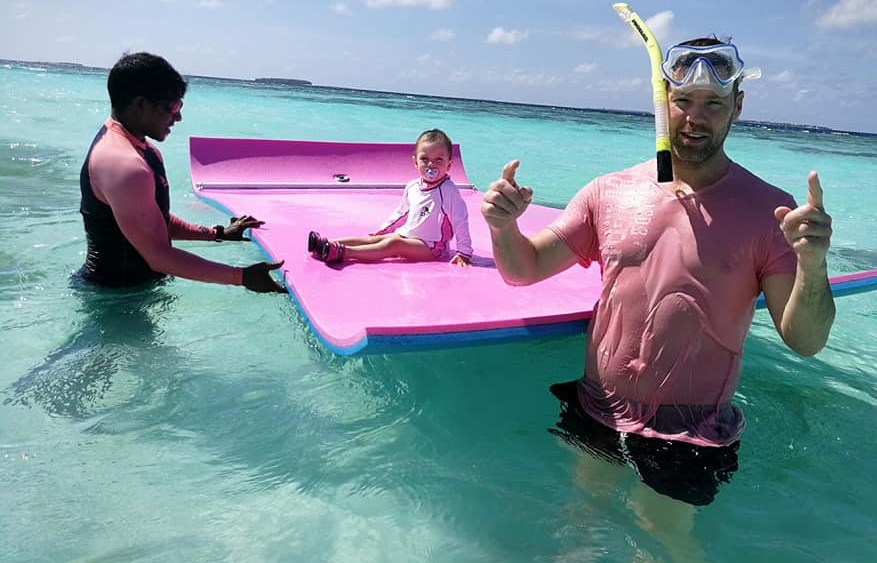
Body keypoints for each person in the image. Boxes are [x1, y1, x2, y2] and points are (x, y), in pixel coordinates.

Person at [481, 37, 835, 506]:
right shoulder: (607, 191)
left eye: (713, 103)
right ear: (661, 102)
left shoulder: (768, 212)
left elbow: (805, 341)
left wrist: (813, 264)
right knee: (579, 530)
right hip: (596, 409)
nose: (695, 116)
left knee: (667, 548)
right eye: (683, 101)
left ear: (738, 107)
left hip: (693, 435)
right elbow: (523, 270)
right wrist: (503, 227)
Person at [76, 52, 285, 293]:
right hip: (109, 300)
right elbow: (159, 257)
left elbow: (155, 220)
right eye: (172, 106)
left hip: (135, 292)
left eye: (180, 105)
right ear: (140, 104)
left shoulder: (144, 150)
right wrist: (243, 277)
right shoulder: (123, 164)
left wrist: (218, 233)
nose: (179, 116)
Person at [307, 129, 473, 266]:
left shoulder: (448, 190)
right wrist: (384, 229)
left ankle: (341, 253)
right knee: (378, 239)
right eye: (425, 159)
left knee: (393, 245)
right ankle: (326, 244)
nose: (431, 165)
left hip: (433, 247)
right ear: (415, 162)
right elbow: (401, 213)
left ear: (449, 164)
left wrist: (463, 252)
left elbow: (460, 220)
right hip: (409, 236)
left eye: (438, 160)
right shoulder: (413, 187)